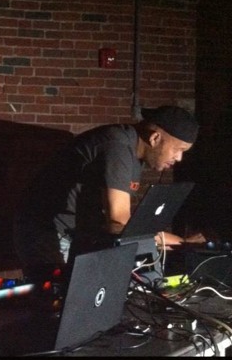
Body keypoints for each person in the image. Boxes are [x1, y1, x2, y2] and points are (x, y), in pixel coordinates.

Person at [13, 105, 206, 283]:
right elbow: (119, 223)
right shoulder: (117, 147)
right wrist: (180, 243)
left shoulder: (132, 152)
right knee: (64, 300)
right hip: (47, 230)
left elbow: (127, 227)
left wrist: (182, 244)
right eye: (178, 149)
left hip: (74, 232)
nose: (179, 158)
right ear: (155, 138)